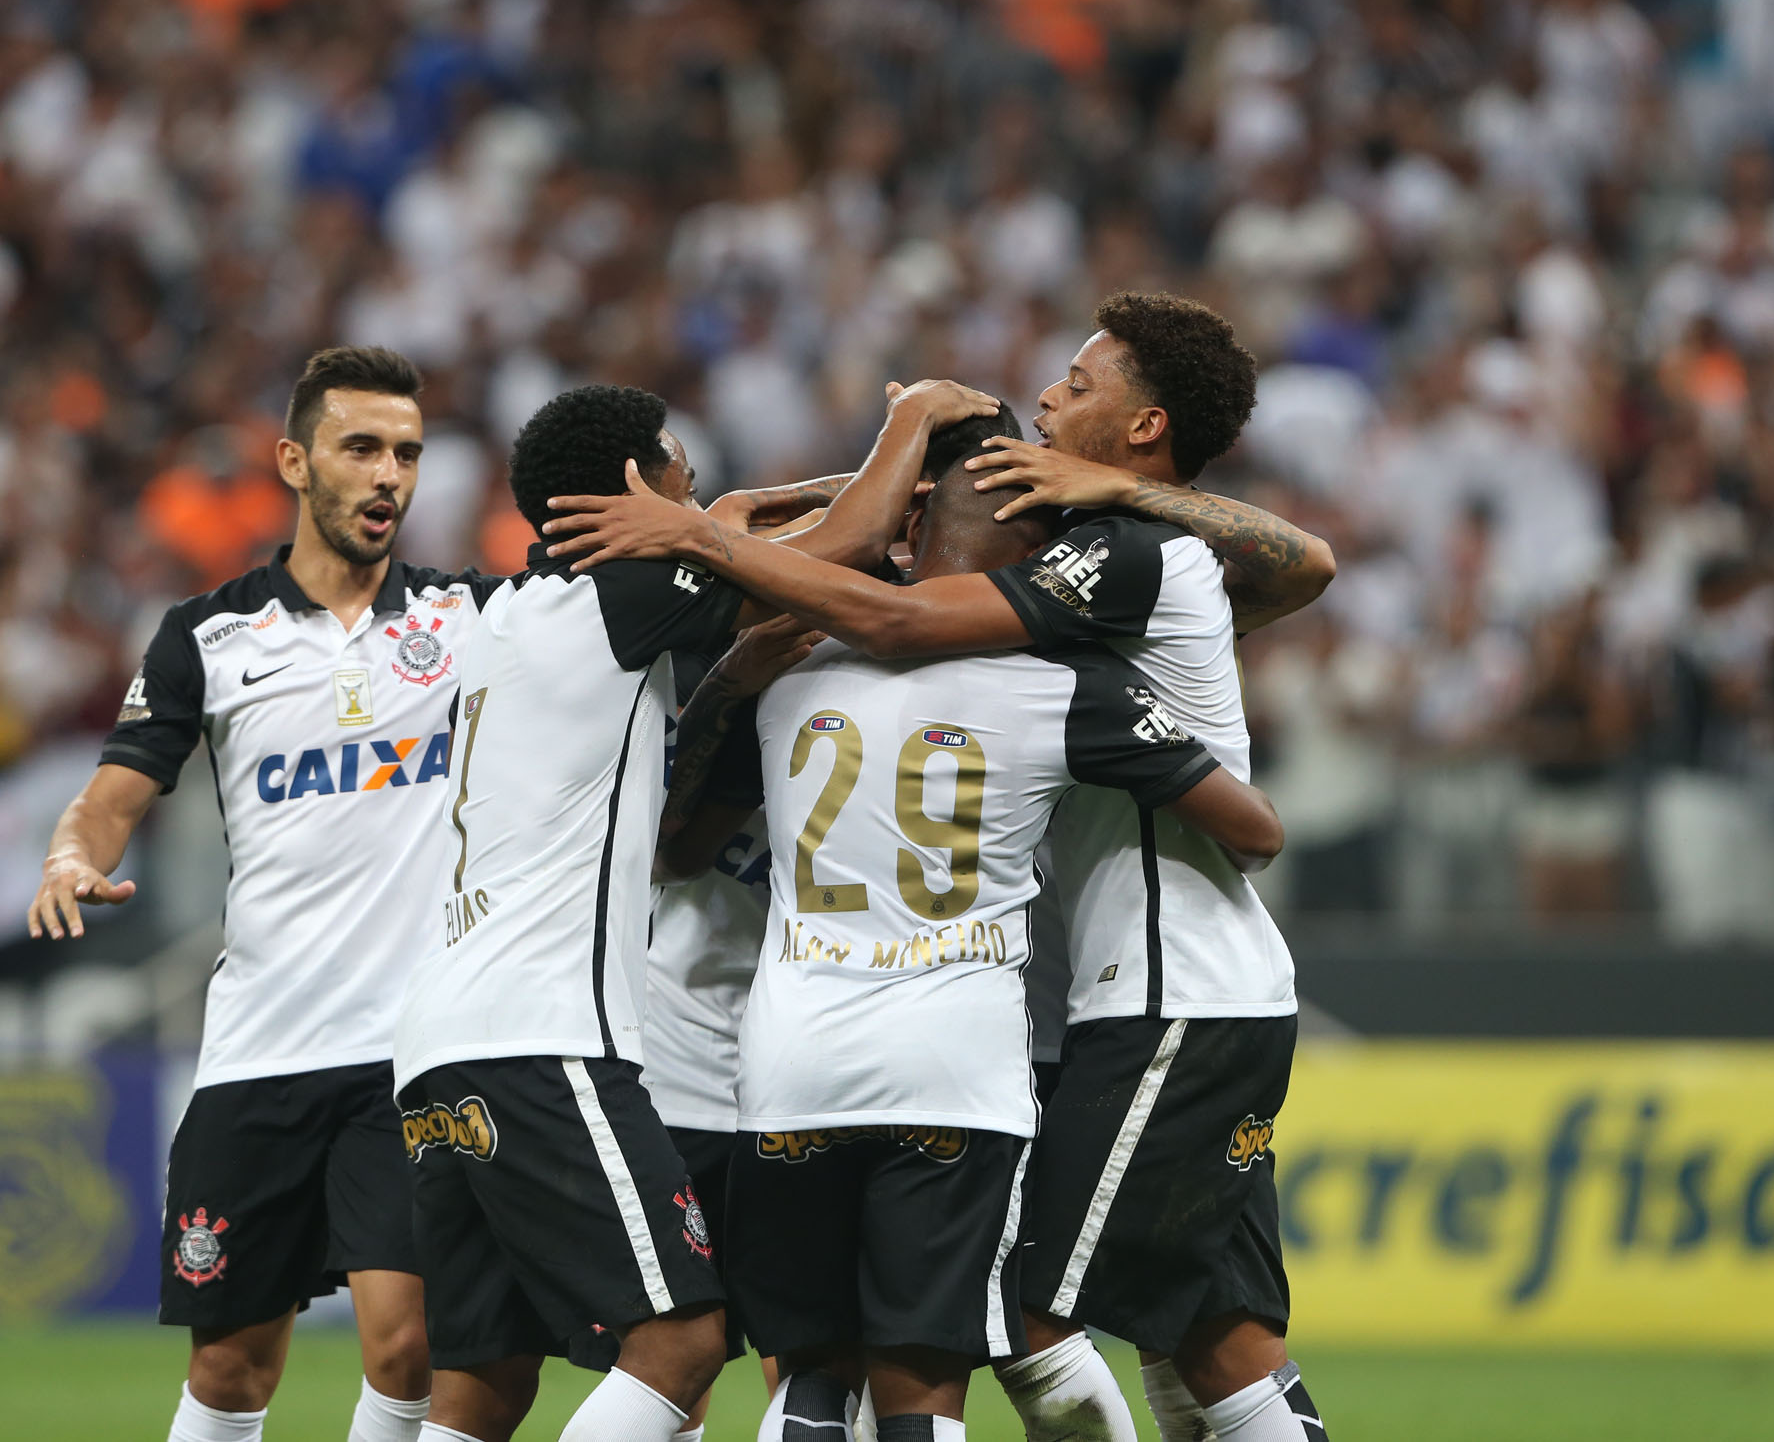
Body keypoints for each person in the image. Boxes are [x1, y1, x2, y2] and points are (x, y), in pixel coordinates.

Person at [541, 292, 1336, 1442]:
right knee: (1204, 1332)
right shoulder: (1079, 604)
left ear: (1144, 428)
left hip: (1173, 996)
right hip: (1126, 1004)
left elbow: (902, 623)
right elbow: (1281, 564)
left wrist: (715, 540)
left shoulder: (1123, 558)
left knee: (1017, 1305)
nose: (1050, 397)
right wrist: (881, 483)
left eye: (1077, 382)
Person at [388, 378, 994, 1442]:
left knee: (483, 1385)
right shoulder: (621, 598)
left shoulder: (509, 609)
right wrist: (916, 419)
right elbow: (839, 544)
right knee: (680, 1342)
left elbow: (738, 530)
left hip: (439, 1039)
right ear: (633, 489)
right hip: (544, 1035)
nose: (696, 483)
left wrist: (718, 521)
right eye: (677, 468)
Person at [655, 461, 1288, 1442]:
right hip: (954, 1076)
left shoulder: (793, 671)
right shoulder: (1065, 688)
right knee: (924, 1385)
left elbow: (681, 844)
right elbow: (1251, 830)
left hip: (791, 1068)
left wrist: (736, 672)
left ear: (911, 542)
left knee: (815, 1379)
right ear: (1036, 564)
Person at [28, 346, 487, 1442]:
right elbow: (113, 793)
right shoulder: (209, 635)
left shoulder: (468, 620)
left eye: (407, 454)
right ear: (294, 461)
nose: (389, 476)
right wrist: (68, 854)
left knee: (408, 1343)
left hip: (409, 1049)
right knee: (233, 1371)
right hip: (260, 1049)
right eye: (361, 448)